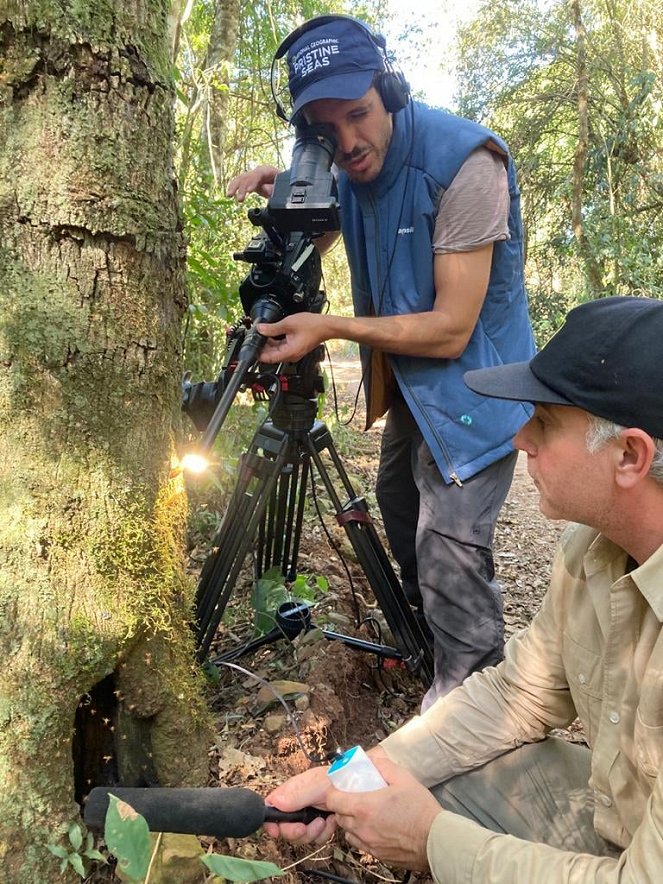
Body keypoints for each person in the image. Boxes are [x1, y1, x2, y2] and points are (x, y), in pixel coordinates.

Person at [260, 295, 663, 882]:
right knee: (432, 773)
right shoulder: (591, 551)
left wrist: (430, 841)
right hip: (622, 821)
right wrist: (349, 777)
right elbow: (515, 695)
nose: (519, 438)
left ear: (630, 454)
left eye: (544, 422)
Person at [229, 15, 535, 708]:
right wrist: (285, 186)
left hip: (475, 389)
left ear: (389, 91)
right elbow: (346, 203)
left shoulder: (466, 164)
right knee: (399, 503)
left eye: (359, 115)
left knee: (449, 543)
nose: (348, 142)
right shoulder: (350, 167)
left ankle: (475, 701)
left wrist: (330, 326)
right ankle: (432, 645)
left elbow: (453, 328)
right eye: (325, 130)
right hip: (412, 388)